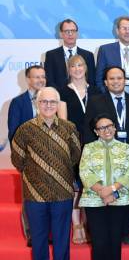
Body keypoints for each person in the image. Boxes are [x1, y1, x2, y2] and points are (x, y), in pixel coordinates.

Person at [11, 87, 81, 260]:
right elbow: (18, 159)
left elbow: (75, 155)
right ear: (37, 103)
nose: (48, 105)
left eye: (52, 102)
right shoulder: (25, 130)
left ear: (58, 104)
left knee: (61, 238)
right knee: (39, 238)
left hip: (62, 192)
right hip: (35, 193)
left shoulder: (69, 128)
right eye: (44, 102)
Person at [84, 66, 129, 246]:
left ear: (125, 80)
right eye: (112, 78)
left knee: (127, 190)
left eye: (119, 78)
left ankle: (126, 231)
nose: (116, 81)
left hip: (128, 152)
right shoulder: (95, 101)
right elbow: (88, 128)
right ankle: (102, 230)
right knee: (106, 188)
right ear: (105, 82)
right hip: (103, 152)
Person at [79, 115, 129, 260]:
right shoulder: (88, 148)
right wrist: (101, 191)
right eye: (102, 128)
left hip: (118, 200)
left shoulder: (125, 148)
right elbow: (84, 172)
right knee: (99, 240)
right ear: (96, 131)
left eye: (109, 126)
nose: (106, 130)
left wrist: (112, 191)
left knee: (114, 240)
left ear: (115, 127)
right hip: (94, 201)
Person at [57, 54, 102, 245]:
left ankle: (88, 223)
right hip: (74, 143)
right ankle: (76, 225)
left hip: (94, 144)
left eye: (80, 65)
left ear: (86, 68)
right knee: (76, 185)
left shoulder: (97, 90)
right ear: (69, 69)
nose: (77, 69)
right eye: (73, 66)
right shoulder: (63, 92)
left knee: (91, 184)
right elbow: (64, 122)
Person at [44, 18, 96, 89]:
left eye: (73, 31)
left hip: (83, 96)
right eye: (67, 31)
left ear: (77, 34)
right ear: (61, 34)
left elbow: (92, 81)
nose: (70, 34)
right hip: (59, 97)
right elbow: (49, 81)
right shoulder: (51, 55)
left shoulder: (88, 55)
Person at [8, 65, 47, 142]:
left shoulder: (52, 99)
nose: (41, 80)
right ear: (28, 80)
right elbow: (13, 131)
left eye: (43, 77)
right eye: (37, 77)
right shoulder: (17, 102)